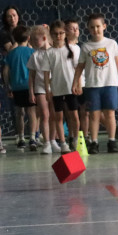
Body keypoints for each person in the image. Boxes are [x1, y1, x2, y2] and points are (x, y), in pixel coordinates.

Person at [73, 13, 118, 154]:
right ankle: (94, 142)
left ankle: (112, 141)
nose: (95, 29)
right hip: (92, 86)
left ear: (104, 26)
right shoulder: (86, 47)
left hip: (110, 84)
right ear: (88, 29)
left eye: (98, 26)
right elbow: (80, 66)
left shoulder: (111, 44)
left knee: (110, 114)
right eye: (92, 27)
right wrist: (76, 82)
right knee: (94, 115)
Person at [44, 20, 78, 152]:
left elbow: (77, 69)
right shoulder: (49, 52)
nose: (58, 36)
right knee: (58, 117)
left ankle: (75, 139)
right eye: (55, 33)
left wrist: (78, 85)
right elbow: (46, 73)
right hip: (56, 90)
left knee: (74, 115)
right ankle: (63, 143)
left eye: (61, 33)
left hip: (71, 88)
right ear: (51, 35)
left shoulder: (72, 49)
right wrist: (48, 90)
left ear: (65, 34)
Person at [4, 26, 36, 149]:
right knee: (31, 112)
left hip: (16, 87)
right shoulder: (32, 52)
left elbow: (6, 71)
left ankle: (21, 138)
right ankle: (32, 138)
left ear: (14, 39)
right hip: (29, 86)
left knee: (19, 113)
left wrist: (8, 86)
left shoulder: (11, 54)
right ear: (28, 38)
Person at [27, 24, 53, 154]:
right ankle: (47, 142)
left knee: (54, 115)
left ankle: (54, 140)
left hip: (54, 87)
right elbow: (31, 76)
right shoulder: (35, 55)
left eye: (35, 40)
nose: (32, 42)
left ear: (44, 38)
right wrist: (31, 92)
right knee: (44, 115)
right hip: (40, 88)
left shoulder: (54, 52)